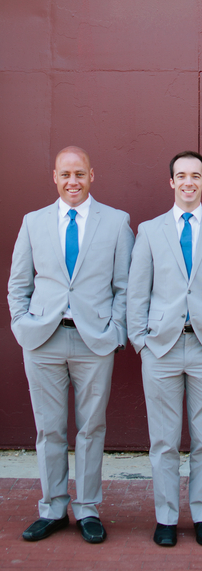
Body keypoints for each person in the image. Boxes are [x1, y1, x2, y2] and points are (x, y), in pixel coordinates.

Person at [7, 146, 133, 544]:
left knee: (92, 428)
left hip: (93, 341)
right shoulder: (33, 222)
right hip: (42, 339)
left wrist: (115, 331)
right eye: (65, 175)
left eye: (79, 173)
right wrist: (22, 324)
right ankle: (53, 507)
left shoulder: (116, 222)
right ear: (55, 177)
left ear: (92, 175)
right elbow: (18, 284)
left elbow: (125, 287)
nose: (72, 182)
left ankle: (89, 508)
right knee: (49, 429)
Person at [127, 151, 202, 548]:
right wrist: (140, 340)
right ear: (170, 182)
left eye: (196, 176)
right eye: (181, 176)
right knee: (164, 439)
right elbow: (136, 291)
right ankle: (166, 516)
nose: (188, 182)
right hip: (160, 347)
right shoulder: (150, 231)